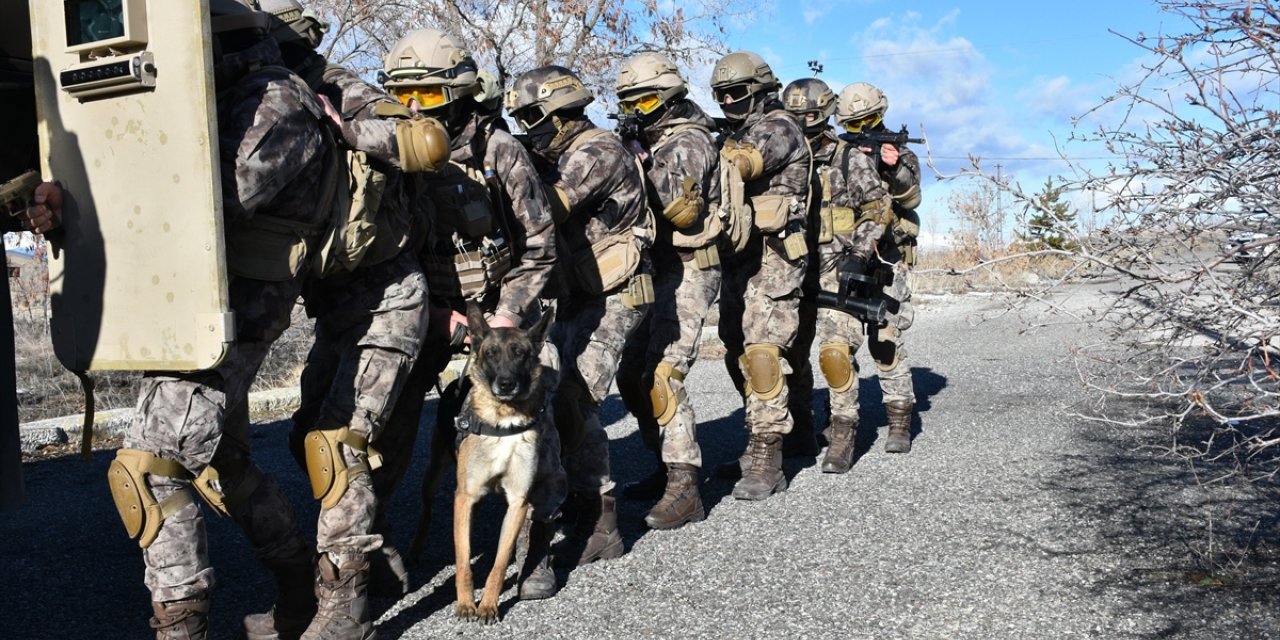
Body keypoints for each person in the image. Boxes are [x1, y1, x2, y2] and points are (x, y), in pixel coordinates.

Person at [106, 2, 334, 637]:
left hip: (233, 314)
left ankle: (184, 628)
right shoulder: (227, 95)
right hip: (201, 307)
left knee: (149, 471)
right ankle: (301, 589)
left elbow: (219, 201)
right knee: (222, 464)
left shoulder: (277, 102)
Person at [238, 2, 450, 637]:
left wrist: (356, 125)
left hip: (388, 299)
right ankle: (348, 561)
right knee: (308, 432)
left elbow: (418, 143)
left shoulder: (336, 92)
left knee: (340, 444)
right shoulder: (248, 97)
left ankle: (343, 608)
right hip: (336, 309)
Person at [375, 29, 567, 600]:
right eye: (402, 95)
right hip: (419, 311)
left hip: (498, 322)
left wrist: (506, 316)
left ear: (459, 95)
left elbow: (540, 244)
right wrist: (427, 315)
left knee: (539, 421)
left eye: (429, 96)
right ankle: (369, 548)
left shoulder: (499, 151)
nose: (413, 109)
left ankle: (537, 543)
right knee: (377, 421)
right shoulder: (388, 150)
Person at [506, 64, 654, 565]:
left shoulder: (597, 150)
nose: (528, 127)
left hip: (617, 293)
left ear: (560, 109)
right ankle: (576, 496)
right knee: (555, 390)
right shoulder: (563, 151)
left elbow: (547, 206)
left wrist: (504, 169)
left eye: (532, 116)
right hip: (580, 294)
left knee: (575, 397)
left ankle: (601, 519)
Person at [612, 52, 722, 530]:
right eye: (630, 102)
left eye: (649, 99)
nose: (639, 109)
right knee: (630, 373)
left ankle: (685, 485)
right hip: (653, 268)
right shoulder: (650, 139)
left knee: (662, 373)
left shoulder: (689, 141)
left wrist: (629, 168)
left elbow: (678, 208)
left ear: (672, 96)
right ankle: (663, 461)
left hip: (690, 266)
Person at [710, 51, 812, 501]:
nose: (729, 100)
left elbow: (741, 164)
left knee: (764, 352)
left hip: (775, 259)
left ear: (760, 89)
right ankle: (764, 434)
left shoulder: (778, 127)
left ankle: (768, 453)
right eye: (721, 95)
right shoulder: (737, 130)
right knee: (736, 348)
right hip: (738, 259)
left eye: (737, 92)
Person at [818, 81, 923, 473]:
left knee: (885, 341)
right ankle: (840, 424)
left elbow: (911, 197)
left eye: (872, 120)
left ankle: (899, 419)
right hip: (840, 261)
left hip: (888, 258)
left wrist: (892, 167)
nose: (865, 128)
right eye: (856, 123)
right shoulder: (837, 156)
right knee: (835, 346)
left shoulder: (903, 154)